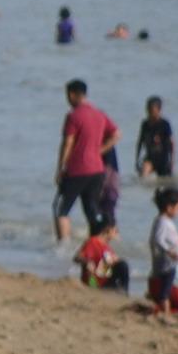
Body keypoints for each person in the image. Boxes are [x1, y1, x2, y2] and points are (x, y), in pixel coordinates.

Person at [52, 79, 118, 242]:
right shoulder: (99, 114)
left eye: (67, 95)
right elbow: (116, 134)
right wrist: (100, 150)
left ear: (73, 95)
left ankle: (63, 247)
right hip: (97, 170)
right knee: (91, 210)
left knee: (61, 209)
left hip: (77, 169)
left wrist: (60, 168)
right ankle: (97, 244)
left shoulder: (73, 116)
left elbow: (67, 143)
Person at [147, 187, 178, 313]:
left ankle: (164, 310)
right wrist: (169, 251)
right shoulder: (162, 222)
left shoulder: (165, 221)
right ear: (169, 207)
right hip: (167, 265)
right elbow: (157, 240)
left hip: (169, 264)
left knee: (165, 290)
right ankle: (165, 313)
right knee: (165, 293)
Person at [75, 218, 131, 292]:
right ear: (108, 230)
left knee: (121, 264)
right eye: (115, 230)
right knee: (123, 265)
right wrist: (87, 262)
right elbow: (77, 257)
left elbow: (105, 269)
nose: (117, 233)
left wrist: (114, 261)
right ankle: (123, 292)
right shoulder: (93, 242)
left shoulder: (107, 248)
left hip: (104, 279)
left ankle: (123, 292)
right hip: (93, 282)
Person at [135, 96, 175, 178]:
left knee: (165, 183)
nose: (149, 113)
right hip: (150, 158)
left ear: (159, 110)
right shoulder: (145, 124)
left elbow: (172, 143)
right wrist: (137, 159)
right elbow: (140, 142)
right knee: (143, 177)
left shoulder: (165, 124)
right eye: (148, 110)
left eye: (151, 110)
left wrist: (172, 161)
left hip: (163, 159)